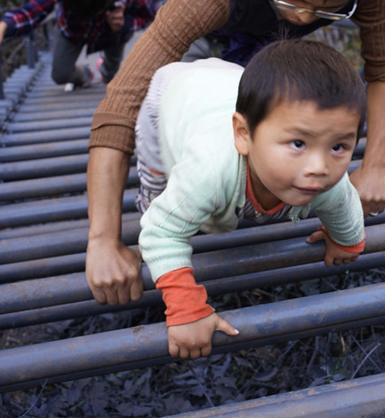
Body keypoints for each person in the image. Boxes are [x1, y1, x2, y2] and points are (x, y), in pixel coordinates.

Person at [86, 0, 385, 307]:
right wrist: (104, 239)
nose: (306, 17)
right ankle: (189, 199)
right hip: (210, 36)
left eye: (326, 10)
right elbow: (122, 103)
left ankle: (256, 193)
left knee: (281, 124)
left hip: (273, 43)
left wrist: (376, 166)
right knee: (190, 105)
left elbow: (384, 65)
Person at [138, 39, 367, 359]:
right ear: (244, 135)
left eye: (339, 147)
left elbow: (346, 206)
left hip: (228, 82)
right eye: (298, 143)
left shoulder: (329, 179)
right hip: (172, 95)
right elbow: (161, 232)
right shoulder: (209, 169)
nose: (320, 168)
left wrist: (346, 241)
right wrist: (187, 308)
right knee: (157, 186)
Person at [0, 0, 157, 87]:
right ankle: (86, 75)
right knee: (60, 76)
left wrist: (124, 24)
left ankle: (105, 69)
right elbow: (32, 12)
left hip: (112, 35)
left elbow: (150, 15)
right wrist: (2, 27)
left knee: (111, 76)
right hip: (73, 31)